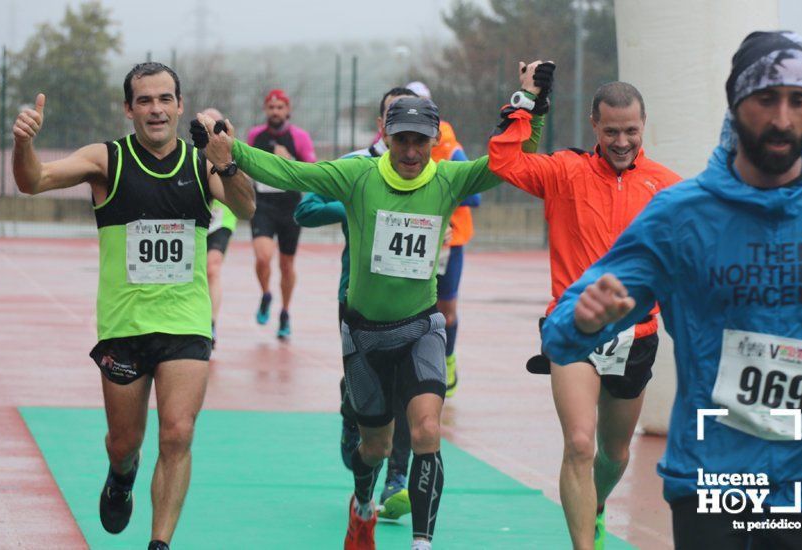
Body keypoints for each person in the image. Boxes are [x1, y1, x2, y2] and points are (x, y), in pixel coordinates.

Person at [197, 78, 546, 547]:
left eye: (419, 141)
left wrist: (534, 110)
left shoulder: (449, 179)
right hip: (364, 336)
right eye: (400, 139)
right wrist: (231, 151)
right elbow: (291, 174)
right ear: (385, 136)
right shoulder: (358, 176)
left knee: (426, 429)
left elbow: (511, 164)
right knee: (373, 447)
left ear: (433, 141)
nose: (409, 150)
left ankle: (422, 542)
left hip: (421, 328)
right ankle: (362, 500)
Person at [541, 31, 802, 550]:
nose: (783, 118)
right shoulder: (680, 215)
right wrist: (585, 319)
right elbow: (562, 334)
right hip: (713, 478)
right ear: (736, 101)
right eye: (766, 98)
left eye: (799, 100)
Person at [12, 62, 255, 550]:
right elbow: (33, 180)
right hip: (124, 326)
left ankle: (159, 543)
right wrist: (24, 144)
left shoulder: (200, 162)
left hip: (186, 321)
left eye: (165, 99)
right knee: (126, 444)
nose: (156, 109)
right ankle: (121, 475)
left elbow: (247, 208)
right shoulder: (107, 160)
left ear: (179, 105)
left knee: (179, 433)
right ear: (128, 109)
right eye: (144, 100)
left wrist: (228, 161)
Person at [488, 61, 681, 550]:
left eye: (631, 131)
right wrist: (526, 101)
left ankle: (593, 503)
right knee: (579, 442)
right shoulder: (565, 171)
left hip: (636, 337)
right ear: (594, 126)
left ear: (644, 127)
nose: (621, 141)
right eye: (611, 131)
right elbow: (505, 163)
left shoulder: (669, 187)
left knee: (614, 454)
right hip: (572, 331)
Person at [293, 87, 419, 522]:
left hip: (414, 299)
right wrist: (358, 206)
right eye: (394, 118)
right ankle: (352, 408)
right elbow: (304, 211)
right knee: (370, 394)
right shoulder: (353, 166)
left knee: (408, 389)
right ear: (382, 124)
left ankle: (396, 479)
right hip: (357, 299)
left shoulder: (427, 168)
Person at [406, 81, 481, 398]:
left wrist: (438, 197)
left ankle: (447, 360)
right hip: (410, 237)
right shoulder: (396, 147)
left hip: (448, 243)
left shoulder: (450, 149)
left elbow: (474, 197)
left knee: (445, 308)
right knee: (410, 308)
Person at [246, 89, 316, 339]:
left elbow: (311, 171)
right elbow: (247, 163)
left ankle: (285, 312)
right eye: (271, 107)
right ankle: (266, 294)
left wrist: (289, 161)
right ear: (265, 110)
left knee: (287, 265)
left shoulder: (299, 137)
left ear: (287, 110)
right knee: (263, 257)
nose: (275, 112)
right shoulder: (256, 135)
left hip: (290, 207)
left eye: (280, 107)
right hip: (263, 204)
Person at [200, 108, 239, 348]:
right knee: (197, 273)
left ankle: (211, 324)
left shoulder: (230, 150)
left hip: (222, 218)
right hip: (197, 218)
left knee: (212, 268)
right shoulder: (192, 151)